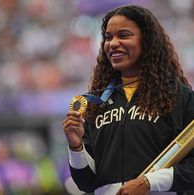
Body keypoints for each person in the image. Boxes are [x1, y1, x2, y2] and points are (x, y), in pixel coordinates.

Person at [62, 5, 194, 195]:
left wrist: (149, 183)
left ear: (147, 41)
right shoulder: (97, 104)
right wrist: (76, 147)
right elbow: (87, 183)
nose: (113, 43)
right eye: (108, 37)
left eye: (123, 35)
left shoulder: (177, 96)